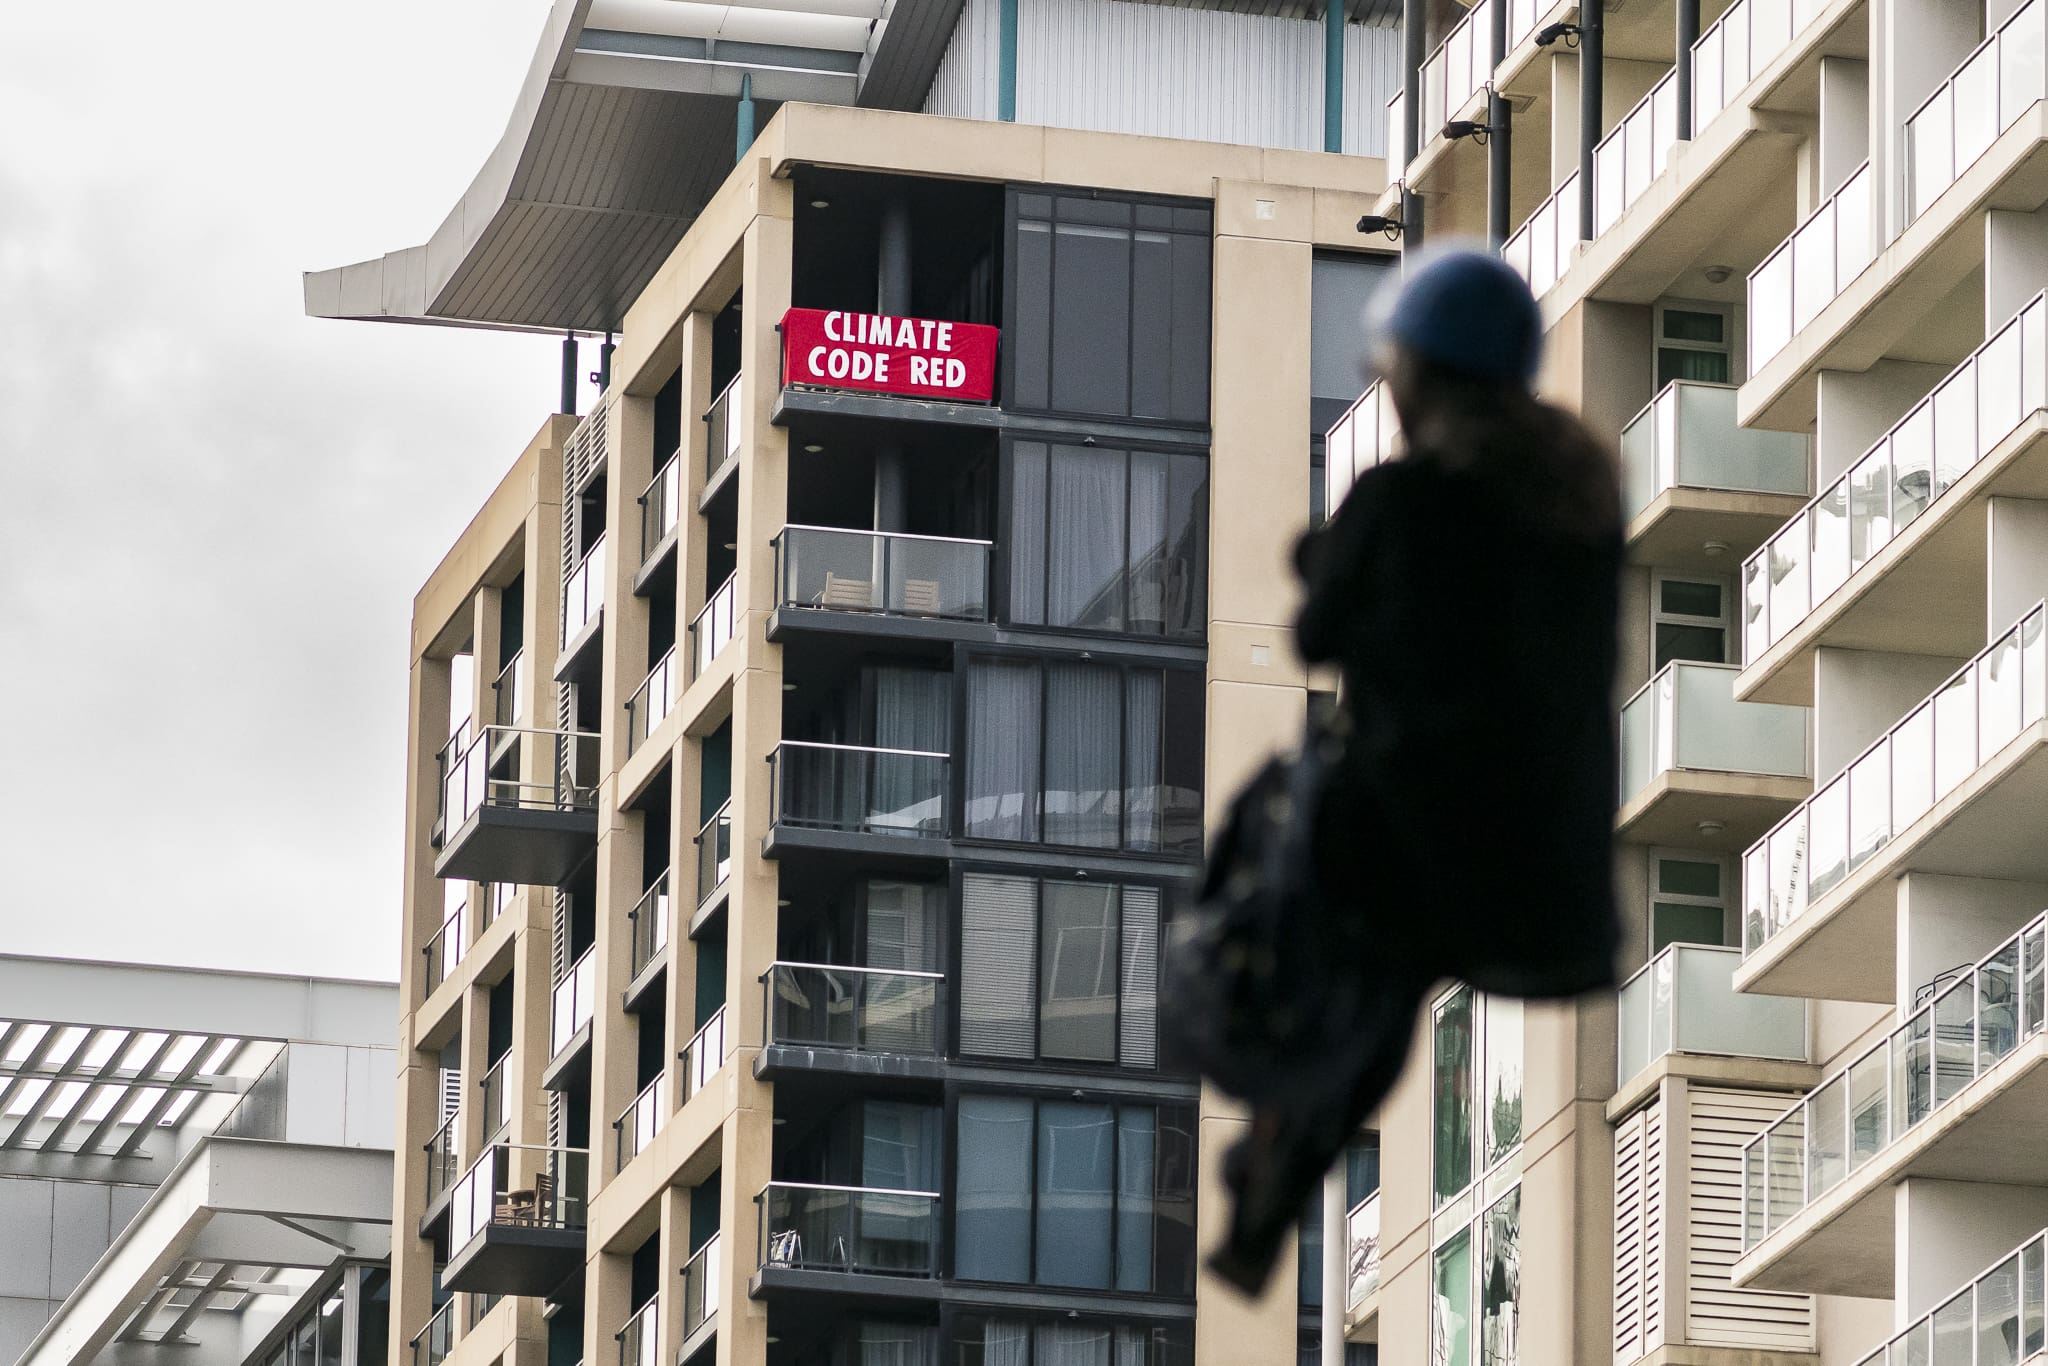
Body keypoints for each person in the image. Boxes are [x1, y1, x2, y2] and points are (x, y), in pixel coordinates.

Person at [1168, 247, 1624, 1293]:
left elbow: (1317, 635)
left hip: (1403, 831)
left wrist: (1331, 564)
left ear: (1421, 374)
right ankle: (1289, 1142)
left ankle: (1278, 1117)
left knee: (1283, 854)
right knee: (1390, 973)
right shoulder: (1581, 495)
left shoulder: (1406, 496)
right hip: (1542, 852)